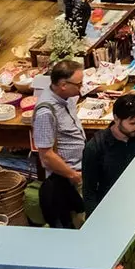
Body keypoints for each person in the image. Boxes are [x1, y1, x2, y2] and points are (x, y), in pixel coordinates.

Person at [32, 59, 87, 228]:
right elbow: (46, 156)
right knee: (79, 222)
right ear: (63, 84)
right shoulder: (45, 113)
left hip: (80, 171)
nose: (81, 88)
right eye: (79, 84)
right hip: (68, 180)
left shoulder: (68, 97)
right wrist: (73, 175)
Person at [82, 93, 135, 213]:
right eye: (132, 123)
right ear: (116, 119)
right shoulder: (96, 147)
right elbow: (89, 192)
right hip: (112, 209)